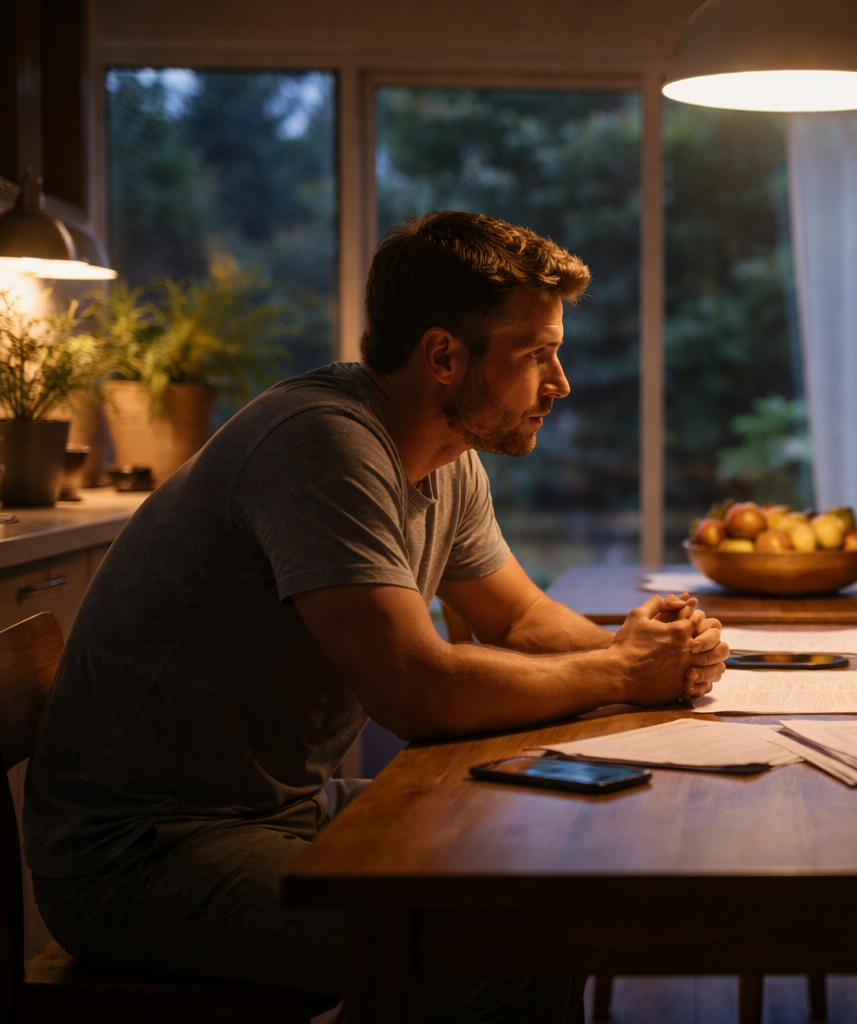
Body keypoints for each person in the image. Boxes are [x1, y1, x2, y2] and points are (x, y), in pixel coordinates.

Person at [23, 211, 729, 1023]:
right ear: (442, 356)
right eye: (537, 354)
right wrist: (618, 671)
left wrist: (649, 652)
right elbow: (415, 690)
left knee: (543, 879)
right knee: (499, 946)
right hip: (138, 858)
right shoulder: (324, 445)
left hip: (278, 813)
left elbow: (521, 618)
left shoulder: (445, 455)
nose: (559, 382)